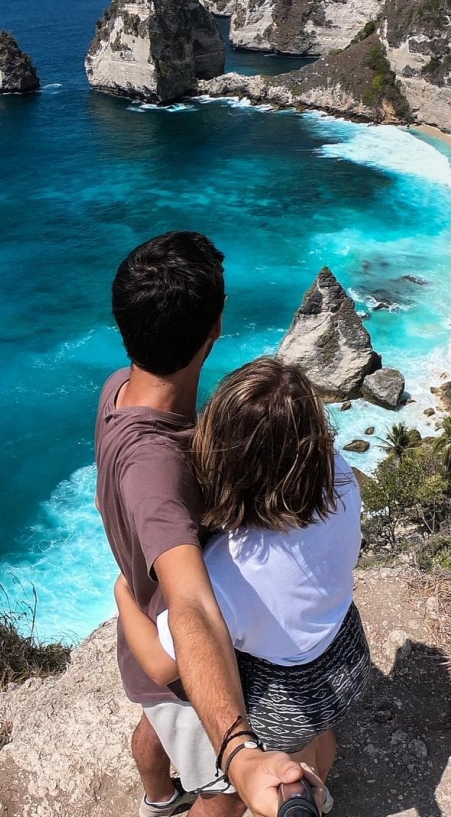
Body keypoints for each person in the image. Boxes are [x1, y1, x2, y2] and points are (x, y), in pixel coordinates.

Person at [95, 231, 306, 817]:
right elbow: (191, 604)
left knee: (154, 729)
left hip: (145, 635)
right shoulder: (160, 467)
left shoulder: (117, 389)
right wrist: (238, 753)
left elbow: (105, 502)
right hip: (180, 661)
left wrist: (126, 587)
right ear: (215, 330)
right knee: (223, 800)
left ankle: (157, 801)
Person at [115, 358, 370, 812]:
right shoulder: (339, 475)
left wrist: (123, 592)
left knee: (235, 798)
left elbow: (161, 665)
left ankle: (304, 794)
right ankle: (323, 792)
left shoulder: (229, 571)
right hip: (345, 654)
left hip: (282, 696)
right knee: (318, 741)